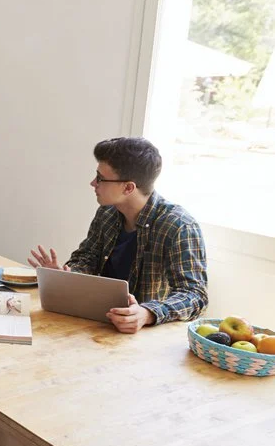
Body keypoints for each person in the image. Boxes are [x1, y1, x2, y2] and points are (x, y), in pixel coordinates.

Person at [29, 136, 208, 333]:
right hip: (100, 323)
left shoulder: (179, 226)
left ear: (128, 187)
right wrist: (67, 275)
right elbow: (87, 257)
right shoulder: (108, 212)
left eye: (100, 178)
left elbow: (195, 295)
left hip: (144, 336)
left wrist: (147, 313)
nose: (92, 183)